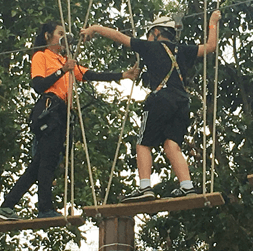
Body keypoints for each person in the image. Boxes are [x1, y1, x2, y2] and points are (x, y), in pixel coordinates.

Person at [0, 20, 139, 220]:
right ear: (47, 36)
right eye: (59, 32)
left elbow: (91, 75)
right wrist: (62, 71)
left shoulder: (65, 61)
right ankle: (44, 208)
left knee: (39, 165)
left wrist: (124, 75)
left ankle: (7, 205)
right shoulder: (41, 56)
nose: (63, 36)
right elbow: (38, 85)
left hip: (61, 114)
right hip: (48, 110)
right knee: (48, 162)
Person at [80, 10, 220, 202]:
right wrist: (213, 22)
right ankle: (187, 186)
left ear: (155, 33)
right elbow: (211, 46)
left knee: (143, 143)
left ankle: (145, 187)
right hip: (182, 101)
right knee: (172, 145)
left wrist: (95, 28)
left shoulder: (149, 47)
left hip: (161, 98)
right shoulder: (183, 49)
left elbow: (119, 36)